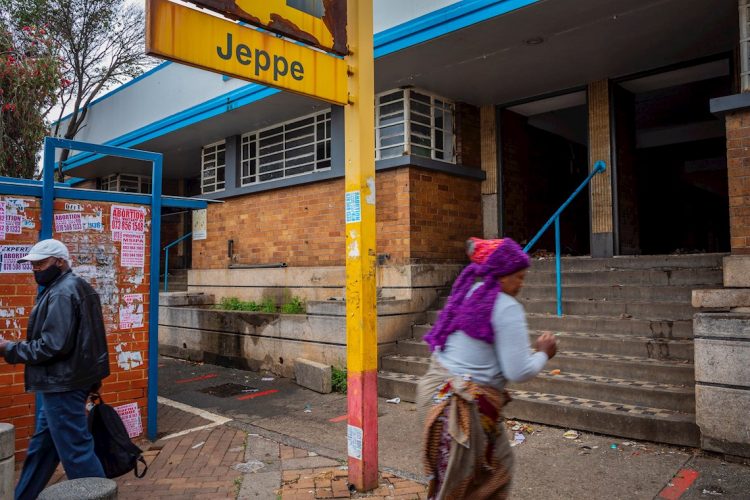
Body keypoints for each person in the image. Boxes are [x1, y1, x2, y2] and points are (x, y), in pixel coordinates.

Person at [417, 237, 557, 499]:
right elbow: (518, 371)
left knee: (455, 483)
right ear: (502, 276)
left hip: (434, 400)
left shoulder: (469, 293)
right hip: (463, 412)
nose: (521, 283)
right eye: (518, 277)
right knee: (490, 477)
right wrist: (543, 353)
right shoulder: (506, 307)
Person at [0, 239, 110, 500]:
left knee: (76, 452)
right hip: (69, 381)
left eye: (41, 263)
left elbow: (51, 345)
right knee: (43, 448)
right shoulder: (75, 287)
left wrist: (8, 348)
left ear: (60, 262)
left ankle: (97, 495)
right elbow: (91, 341)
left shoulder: (61, 292)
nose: (35, 269)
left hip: (63, 383)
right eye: (33, 264)